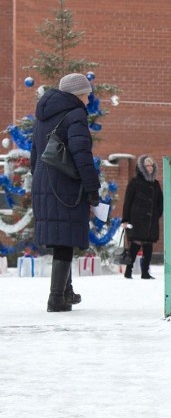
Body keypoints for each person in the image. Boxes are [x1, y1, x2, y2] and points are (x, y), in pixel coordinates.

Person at [30, 73, 102, 313]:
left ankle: (66, 292)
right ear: (77, 94)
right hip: (66, 185)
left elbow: (34, 154)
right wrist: (92, 188)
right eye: (86, 92)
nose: (89, 96)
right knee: (65, 239)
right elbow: (81, 154)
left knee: (63, 237)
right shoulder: (75, 114)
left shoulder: (43, 114)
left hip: (44, 181)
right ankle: (56, 298)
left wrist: (41, 180)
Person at [121, 154, 164, 280]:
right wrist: (125, 219)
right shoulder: (134, 182)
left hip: (151, 221)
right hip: (137, 219)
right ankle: (128, 271)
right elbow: (127, 202)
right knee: (135, 244)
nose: (150, 168)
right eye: (147, 166)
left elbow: (160, 202)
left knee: (148, 245)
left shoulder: (155, 184)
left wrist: (157, 214)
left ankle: (145, 272)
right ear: (142, 168)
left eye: (151, 166)